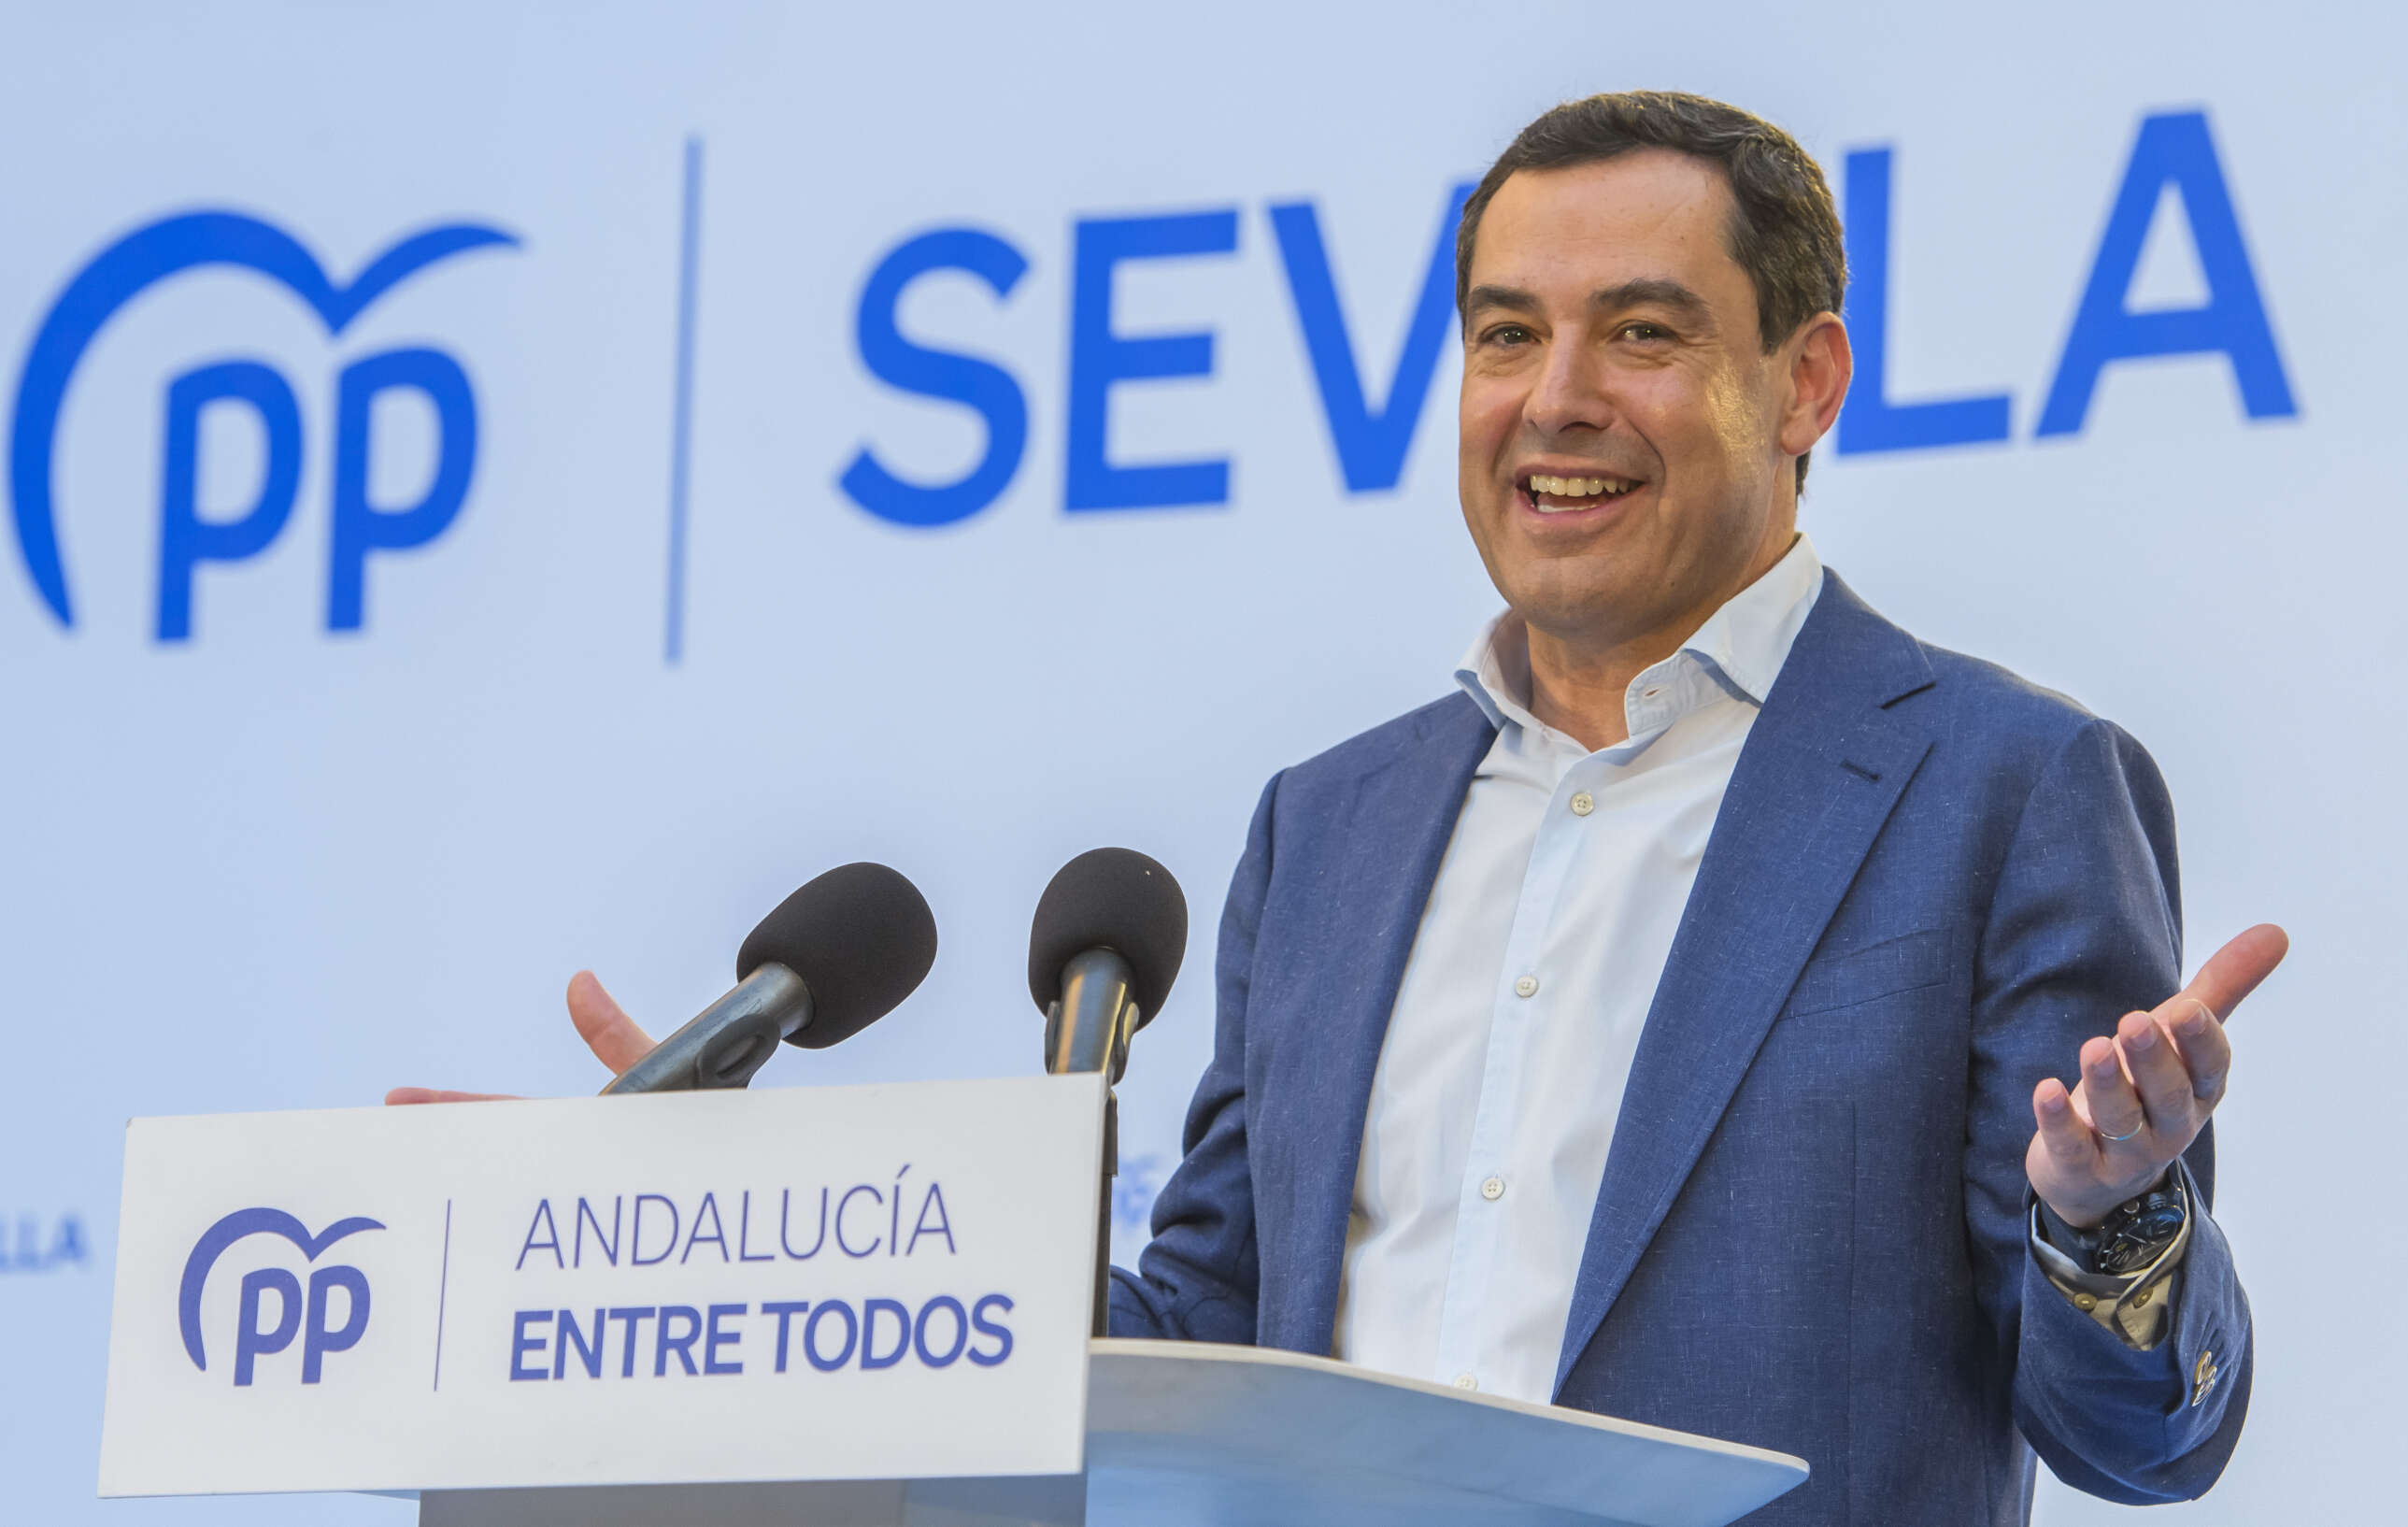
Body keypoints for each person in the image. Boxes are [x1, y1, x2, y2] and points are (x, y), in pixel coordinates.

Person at [395, 91, 2283, 1527]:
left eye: (1640, 334)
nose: (1556, 400)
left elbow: (2142, 1439)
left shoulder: (1997, 785)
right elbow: (1192, 1341)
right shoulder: (1332, 827)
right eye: (1504, 335)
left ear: (1805, 384)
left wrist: (2108, 1226)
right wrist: (739, 1243)